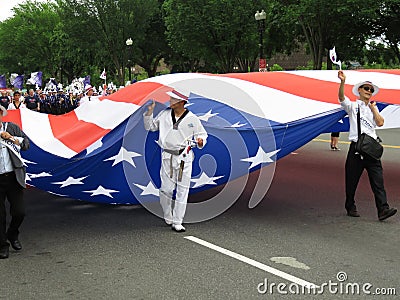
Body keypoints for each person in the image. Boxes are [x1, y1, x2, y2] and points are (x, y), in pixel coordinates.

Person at [144, 89, 208, 232]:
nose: (170, 101)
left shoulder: (192, 119)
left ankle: (178, 220)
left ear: (181, 102)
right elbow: (150, 127)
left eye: (173, 99)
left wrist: (200, 141)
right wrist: (149, 112)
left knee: (182, 190)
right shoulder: (164, 115)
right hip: (167, 156)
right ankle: (168, 213)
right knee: (166, 189)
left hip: (184, 158)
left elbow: (203, 135)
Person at [338, 70, 397, 221]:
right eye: (366, 88)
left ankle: (383, 209)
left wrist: (374, 109)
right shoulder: (353, 106)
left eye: (371, 90)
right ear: (359, 90)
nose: (369, 91)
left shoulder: (372, 108)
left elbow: (380, 122)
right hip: (357, 148)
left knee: (378, 180)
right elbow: (341, 98)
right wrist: (343, 82)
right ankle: (350, 205)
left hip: (371, 147)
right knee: (351, 180)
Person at [0, 105, 30, 259]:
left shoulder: (11, 127)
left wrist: (11, 138)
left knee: (19, 212)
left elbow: (26, 144)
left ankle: (12, 233)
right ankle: (2, 245)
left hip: (13, 176)